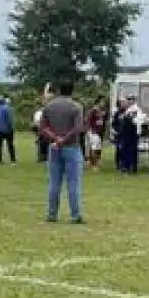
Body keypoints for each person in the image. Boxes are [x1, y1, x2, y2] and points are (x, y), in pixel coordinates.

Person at [39, 80, 85, 223]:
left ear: (59, 90)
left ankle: (52, 214)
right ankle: (75, 215)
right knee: (73, 183)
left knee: (54, 182)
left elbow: (43, 127)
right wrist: (64, 139)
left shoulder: (49, 106)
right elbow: (77, 128)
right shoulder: (76, 107)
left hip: (54, 147)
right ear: (72, 91)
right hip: (71, 147)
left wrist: (56, 139)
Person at [0, 96, 16, 164]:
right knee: (10, 145)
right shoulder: (7, 109)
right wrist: (12, 128)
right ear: (4, 102)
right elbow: (9, 120)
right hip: (8, 130)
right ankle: (12, 160)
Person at [86, 95, 108, 170]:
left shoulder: (102, 111)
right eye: (102, 101)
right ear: (98, 102)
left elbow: (103, 121)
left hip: (99, 132)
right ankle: (93, 165)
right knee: (94, 148)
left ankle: (95, 163)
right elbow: (88, 121)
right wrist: (90, 130)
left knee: (98, 148)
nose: (104, 103)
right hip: (93, 132)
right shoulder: (93, 111)